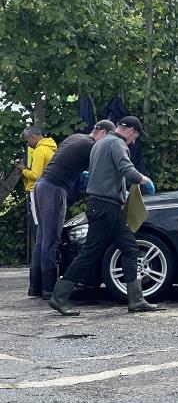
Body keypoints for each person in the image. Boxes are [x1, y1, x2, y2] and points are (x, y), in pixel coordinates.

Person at [49, 116, 159, 316]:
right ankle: (59, 296)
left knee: (129, 248)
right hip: (105, 208)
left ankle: (136, 299)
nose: (133, 141)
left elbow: (101, 173)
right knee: (90, 253)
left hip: (104, 206)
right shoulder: (117, 144)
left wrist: (120, 192)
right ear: (130, 130)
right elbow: (127, 170)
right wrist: (144, 180)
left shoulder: (100, 143)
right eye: (134, 136)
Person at [31, 120, 115, 300]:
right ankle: (49, 289)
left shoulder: (77, 137)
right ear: (103, 133)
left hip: (41, 185)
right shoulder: (91, 145)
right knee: (51, 239)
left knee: (41, 238)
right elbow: (99, 171)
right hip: (55, 188)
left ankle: (35, 287)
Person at [18, 127, 57, 297]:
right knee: (46, 235)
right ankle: (42, 285)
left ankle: (38, 285)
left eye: (29, 141)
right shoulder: (52, 148)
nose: (29, 145)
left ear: (34, 137)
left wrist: (23, 170)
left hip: (36, 191)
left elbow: (36, 174)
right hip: (51, 192)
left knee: (40, 236)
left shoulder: (40, 151)